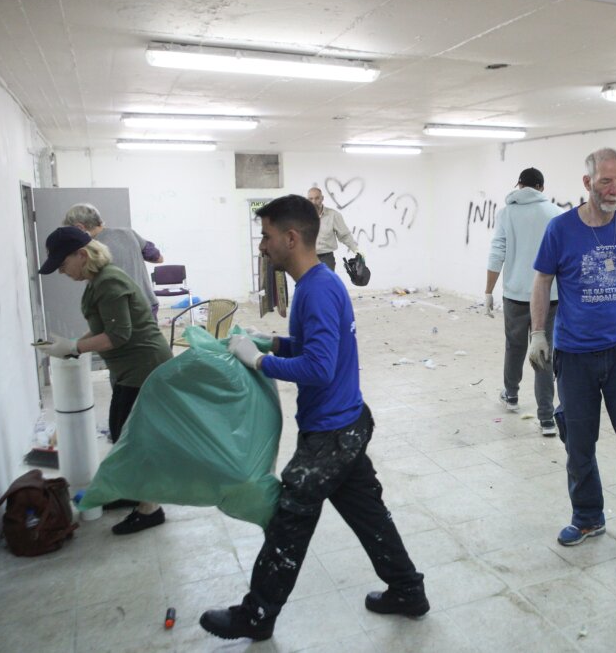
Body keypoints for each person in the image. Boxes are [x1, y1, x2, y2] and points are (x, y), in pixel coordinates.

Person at [200, 195, 427, 642]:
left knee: (290, 519)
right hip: (345, 423)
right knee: (367, 512)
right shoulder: (314, 285)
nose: (262, 246)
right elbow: (316, 349)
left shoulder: (318, 290)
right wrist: (273, 343)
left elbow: (320, 368)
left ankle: (257, 614)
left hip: (333, 433)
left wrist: (259, 363)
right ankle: (407, 590)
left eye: (266, 237)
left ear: (291, 237)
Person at [528, 148, 616, 576]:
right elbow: (542, 281)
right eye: (607, 181)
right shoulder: (560, 229)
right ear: (587, 183)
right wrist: (537, 333)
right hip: (574, 354)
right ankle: (588, 517)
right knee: (578, 445)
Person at [36, 226, 171, 535]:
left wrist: (73, 347)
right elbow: (104, 326)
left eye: (62, 264)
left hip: (144, 368)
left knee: (133, 438)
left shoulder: (109, 281)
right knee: (122, 433)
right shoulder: (99, 281)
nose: (61, 271)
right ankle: (129, 490)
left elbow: (118, 335)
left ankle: (150, 508)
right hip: (132, 369)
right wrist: (71, 344)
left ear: (81, 255)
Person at [484, 167, 562, 436]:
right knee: (544, 353)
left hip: (515, 295)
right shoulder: (556, 213)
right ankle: (547, 418)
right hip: (550, 296)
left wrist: (487, 292)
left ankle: (512, 395)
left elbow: (497, 252)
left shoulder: (507, 213)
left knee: (514, 347)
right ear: (541, 187)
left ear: (519, 185)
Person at [63, 203, 164, 319]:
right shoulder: (128, 233)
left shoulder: (89, 249)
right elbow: (158, 258)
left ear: (80, 227)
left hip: (120, 310)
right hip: (147, 303)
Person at [307, 186, 360, 271]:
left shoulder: (333, 215)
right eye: (311, 199)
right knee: (306, 284)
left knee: (326, 284)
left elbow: (344, 235)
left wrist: (356, 250)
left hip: (326, 259)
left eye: (317, 198)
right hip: (305, 259)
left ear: (322, 198)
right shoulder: (300, 216)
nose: (314, 202)